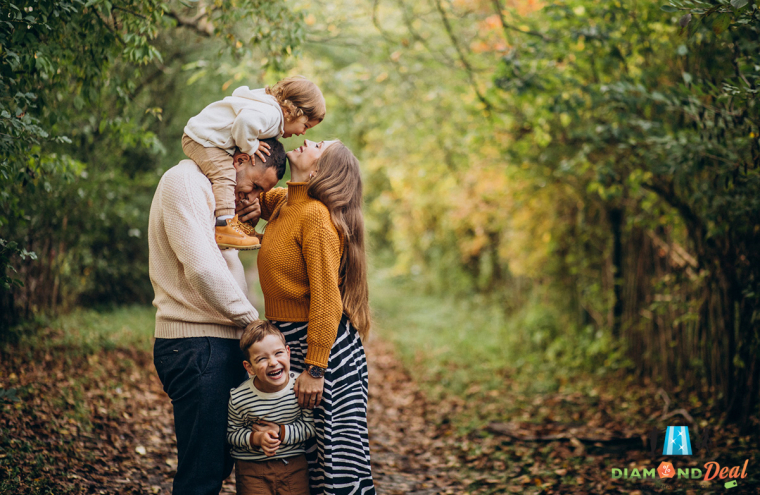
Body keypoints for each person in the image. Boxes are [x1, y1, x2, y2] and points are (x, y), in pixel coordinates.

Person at [149, 138, 286, 495]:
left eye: (261, 192)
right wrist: (254, 322)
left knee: (219, 463)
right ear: (240, 159)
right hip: (196, 345)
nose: (252, 195)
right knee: (202, 474)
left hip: (216, 343)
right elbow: (202, 271)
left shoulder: (215, 196)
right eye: (254, 185)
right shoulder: (186, 182)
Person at [242, 139, 376, 494]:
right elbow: (261, 195)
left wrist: (316, 368)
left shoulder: (316, 218)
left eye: (319, 145)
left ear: (320, 170)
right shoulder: (287, 203)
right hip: (293, 343)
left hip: (325, 354)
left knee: (335, 466)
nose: (307, 140)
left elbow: (328, 299)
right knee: (303, 462)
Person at [182, 76, 326, 250]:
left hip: (205, 137)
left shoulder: (269, 111)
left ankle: (235, 225)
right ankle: (225, 226)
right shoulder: (271, 115)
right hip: (203, 138)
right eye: (306, 125)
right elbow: (244, 121)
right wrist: (251, 146)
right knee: (225, 176)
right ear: (290, 111)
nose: (303, 133)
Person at [227, 320, 315, 495]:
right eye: (262, 359)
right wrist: (256, 438)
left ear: (288, 352)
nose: (273, 362)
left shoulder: (299, 388)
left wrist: (281, 432)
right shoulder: (239, 397)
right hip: (252, 470)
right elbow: (231, 434)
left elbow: (310, 427)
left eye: (278, 353)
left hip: (293, 467)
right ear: (249, 367)